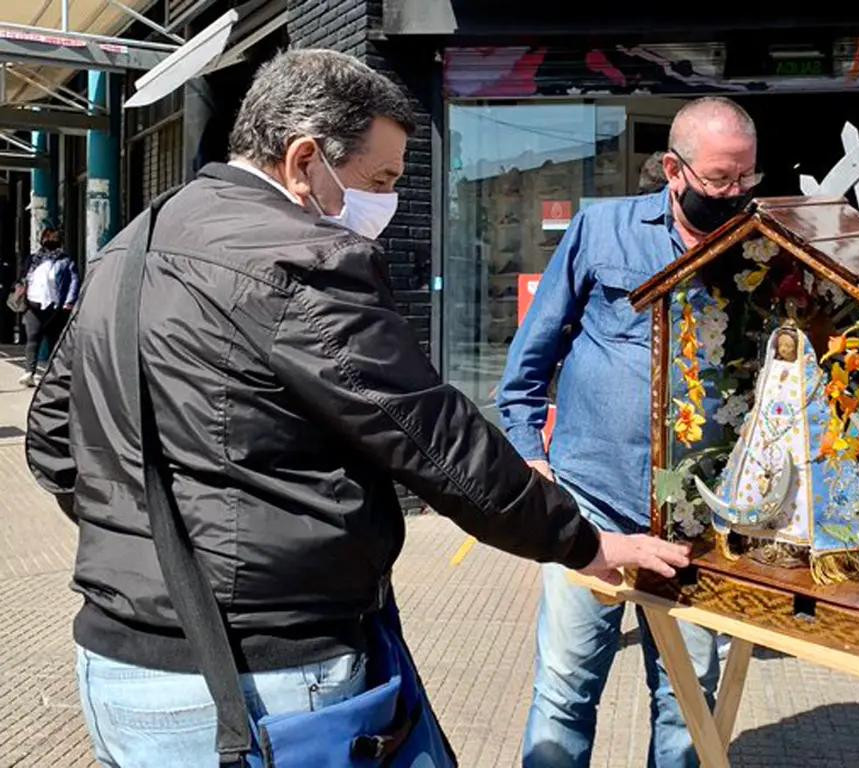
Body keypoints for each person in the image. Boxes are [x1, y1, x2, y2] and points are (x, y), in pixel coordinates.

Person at [24, 49, 689, 768]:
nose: (388, 201)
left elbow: (53, 442)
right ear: (305, 159)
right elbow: (434, 440)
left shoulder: (135, 240)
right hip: (258, 680)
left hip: (114, 666)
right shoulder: (301, 259)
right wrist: (582, 544)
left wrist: (148, 544)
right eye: (380, 180)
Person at [499, 96, 762, 768]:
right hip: (592, 503)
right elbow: (533, 354)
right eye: (718, 182)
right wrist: (530, 455)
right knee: (564, 692)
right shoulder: (602, 230)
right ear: (674, 170)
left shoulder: (759, 247)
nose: (733, 195)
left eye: (745, 180)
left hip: (703, 522)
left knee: (688, 698)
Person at [18, 226, 78, 386]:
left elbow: (73, 282)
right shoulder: (33, 259)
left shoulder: (66, 261)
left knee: (54, 340)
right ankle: (29, 372)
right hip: (33, 303)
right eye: (47, 239)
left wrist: (69, 302)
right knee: (33, 338)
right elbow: (23, 276)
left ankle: (51, 373)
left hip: (54, 306)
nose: (49, 242)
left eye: (52, 239)